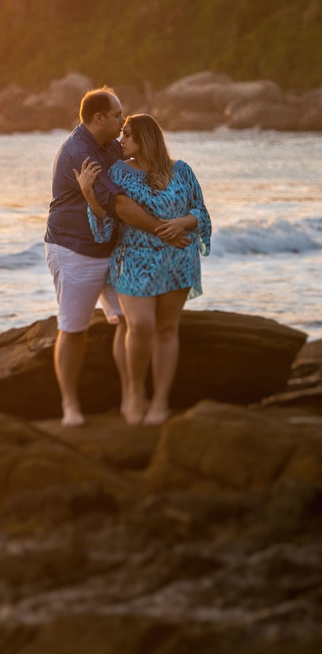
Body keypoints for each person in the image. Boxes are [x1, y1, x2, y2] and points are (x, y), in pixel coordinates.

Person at [44, 87, 190, 427]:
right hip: (74, 250)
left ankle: (131, 396)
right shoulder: (79, 152)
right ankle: (70, 405)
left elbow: (143, 174)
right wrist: (162, 230)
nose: (123, 120)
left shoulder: (112, 145)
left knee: (128, 321)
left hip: (114, 250)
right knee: (73, 328)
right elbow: (120, 204)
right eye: (117, 115)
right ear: (98, 119)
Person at [74, 113, 211, 425]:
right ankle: (135, 393)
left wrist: (183, 221)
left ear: (146, 139)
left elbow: (201, 212)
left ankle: (160, 400)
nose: (121, 140)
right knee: (139, 325)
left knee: (166, 329)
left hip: (178, 258)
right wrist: (89, 195)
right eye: (121, 134)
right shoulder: (118, 172)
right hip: (133, 259)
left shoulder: (181, 170)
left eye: (128, 135)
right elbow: (107, 221)